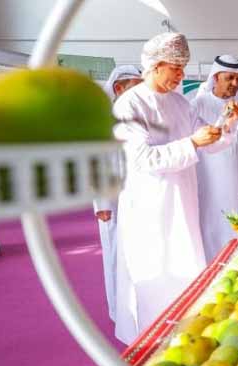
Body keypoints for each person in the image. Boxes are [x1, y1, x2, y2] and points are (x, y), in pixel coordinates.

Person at [110, 33, 238, 345]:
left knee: (185, 276)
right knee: (152, 276)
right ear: (154, 66)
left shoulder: (181, 103)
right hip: (149, 208)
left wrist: (227, 124)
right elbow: (142, 159)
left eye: (183, 68)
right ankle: (147, 348)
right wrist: (191, 143)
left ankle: (182, 339)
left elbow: (207, 144)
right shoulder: (131, 104)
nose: (181, 75)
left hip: (183, 205)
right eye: (175, 68)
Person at [94, 64, 143, 321]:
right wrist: (102, 204)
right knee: (115, 255)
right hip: (112, 201)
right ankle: (117, 311)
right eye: (135, 86)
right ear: (118, 88)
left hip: (138, 198)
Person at [190, 54, 238, 261]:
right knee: (214, 223)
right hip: (211, 180)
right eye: (229, 78)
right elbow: (203, 141)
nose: (235, 84)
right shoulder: (199, 103)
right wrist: (225, 119)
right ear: (216, 77)